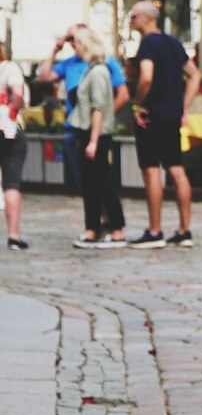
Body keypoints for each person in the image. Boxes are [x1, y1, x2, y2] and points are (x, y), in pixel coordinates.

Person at [127, 0, 201, 248]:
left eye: (134, 16)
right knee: (176, 169)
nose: (131, 20)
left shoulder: (148, 44)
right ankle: (184, 230)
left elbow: (146, 77)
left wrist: (137, 104)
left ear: (148, 18)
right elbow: (195, 75)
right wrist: (183, 106)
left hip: (151, 115)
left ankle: (155, 230)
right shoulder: (173, 42)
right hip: (171, 115)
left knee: (151, 170)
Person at [36, 23, 129, 194]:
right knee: (83, 181)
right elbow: (43, 77)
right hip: (74, 127)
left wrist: (102, 119)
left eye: (75, 39)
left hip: (95, 130)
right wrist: (54, 51)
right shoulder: (69, 63)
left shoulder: (104, 62)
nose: (72, 43)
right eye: (69, 39)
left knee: (100, 180)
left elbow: (123, 95)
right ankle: (95, 215)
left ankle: (107, 217)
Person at [67, 27, 127, 249]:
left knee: (102, 183)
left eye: (79, 44)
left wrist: (92, 141)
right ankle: (91, 229)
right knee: (90, 184)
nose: (77, 48)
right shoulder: (92, 70)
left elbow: (98, 108)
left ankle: (117, 230)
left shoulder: (99, 72)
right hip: (88, 132)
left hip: (97, 134)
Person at [0, 42, 29, 250]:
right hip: (7, 130)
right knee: (11, 181)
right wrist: (10, 116)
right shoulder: (9, 68)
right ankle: (13, 236)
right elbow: (18, 95)